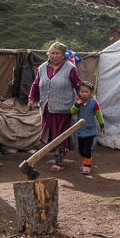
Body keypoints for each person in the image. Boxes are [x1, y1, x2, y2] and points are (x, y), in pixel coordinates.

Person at [28, 42, 81, 171]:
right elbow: (36, 85)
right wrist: (31, 99)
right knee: (50, 132)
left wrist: (82, 100)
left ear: (63, 55)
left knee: (60, 134)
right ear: (48, 54)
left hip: (63, 108)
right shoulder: (42, 68)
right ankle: (61, 152)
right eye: (52, 53)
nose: (54, 56)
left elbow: (78, 85)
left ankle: (58, 161)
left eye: (58, 53)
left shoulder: (70, 68)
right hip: (46, 107)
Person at [70, 81, 105, 174]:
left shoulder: (93, 102)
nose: (84, 94)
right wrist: (77, 104)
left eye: (86, 92)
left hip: (90, 130)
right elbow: (72, 111)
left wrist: (102, 126)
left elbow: (99, 115)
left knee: (87, 149)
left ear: (91, 93)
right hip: (80, 130)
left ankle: (87, 166)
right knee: (81, 150)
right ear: (79, 93)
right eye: (82, 92)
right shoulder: (77, 102)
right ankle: (86, 161)